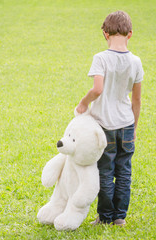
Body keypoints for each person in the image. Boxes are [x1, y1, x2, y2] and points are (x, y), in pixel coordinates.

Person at [76, 11, 144, 226]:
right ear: (130, 34)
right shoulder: (136, 61)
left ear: (104, 34)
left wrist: (83, 103)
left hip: (104, 126)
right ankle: (120, 218)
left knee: (105, 172)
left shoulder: (101, 58)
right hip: (126, 123)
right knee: (124, 171)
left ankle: (105, 217)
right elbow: (137, 99)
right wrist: (134, 127)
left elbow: (97, 89)